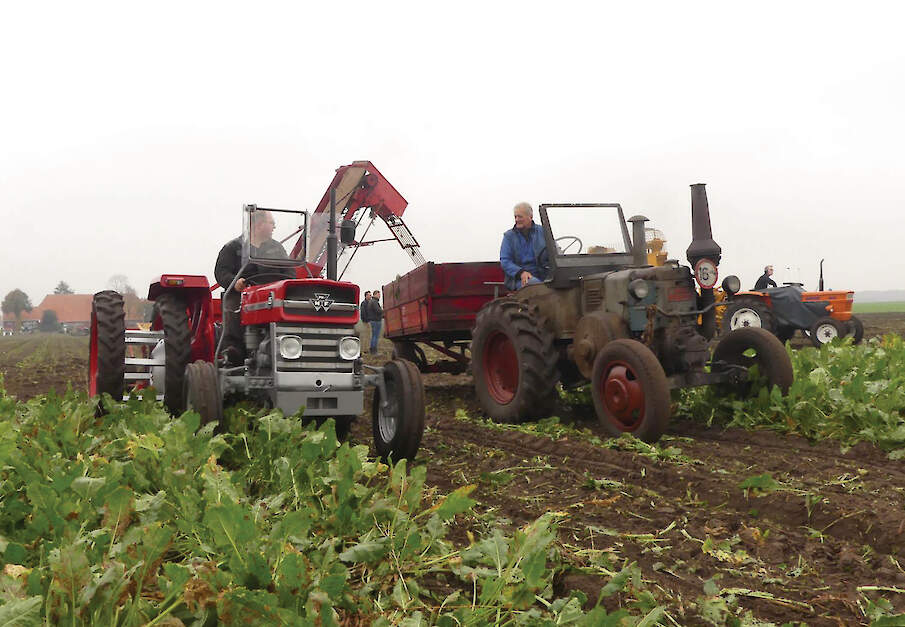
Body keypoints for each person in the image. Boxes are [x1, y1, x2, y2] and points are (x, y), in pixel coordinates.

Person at [214, 210, 291, 365]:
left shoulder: (277, 249)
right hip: (244, 294)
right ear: (259, 225)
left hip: (272, 296)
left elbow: (290, 272)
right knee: (233, 304)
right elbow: (221, 271)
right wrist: (234, 283)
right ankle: (232, 349)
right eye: (271, 223)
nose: (274, 227)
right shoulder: (232, 247)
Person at [500, 202, 549, 292]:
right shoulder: (509, 236)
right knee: (535, 285)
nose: (517, 219)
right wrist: (521, 273)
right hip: (520, 279)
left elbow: (554, 251)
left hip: (544, 275)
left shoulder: (543, 232)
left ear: (530, 217)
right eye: (515, 217)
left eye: (520, 216)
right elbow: (505, 261)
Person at [366, 289, 383, 353]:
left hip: (373, 320)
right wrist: (382, 311)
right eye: (379, 294)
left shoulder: (371, 301)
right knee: (375, 336)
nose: (379, 296)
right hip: (376, 320)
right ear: (375, 294)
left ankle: (372, 349)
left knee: (374, 336)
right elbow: (378, 311)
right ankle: (374, 351)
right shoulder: (374, 302)